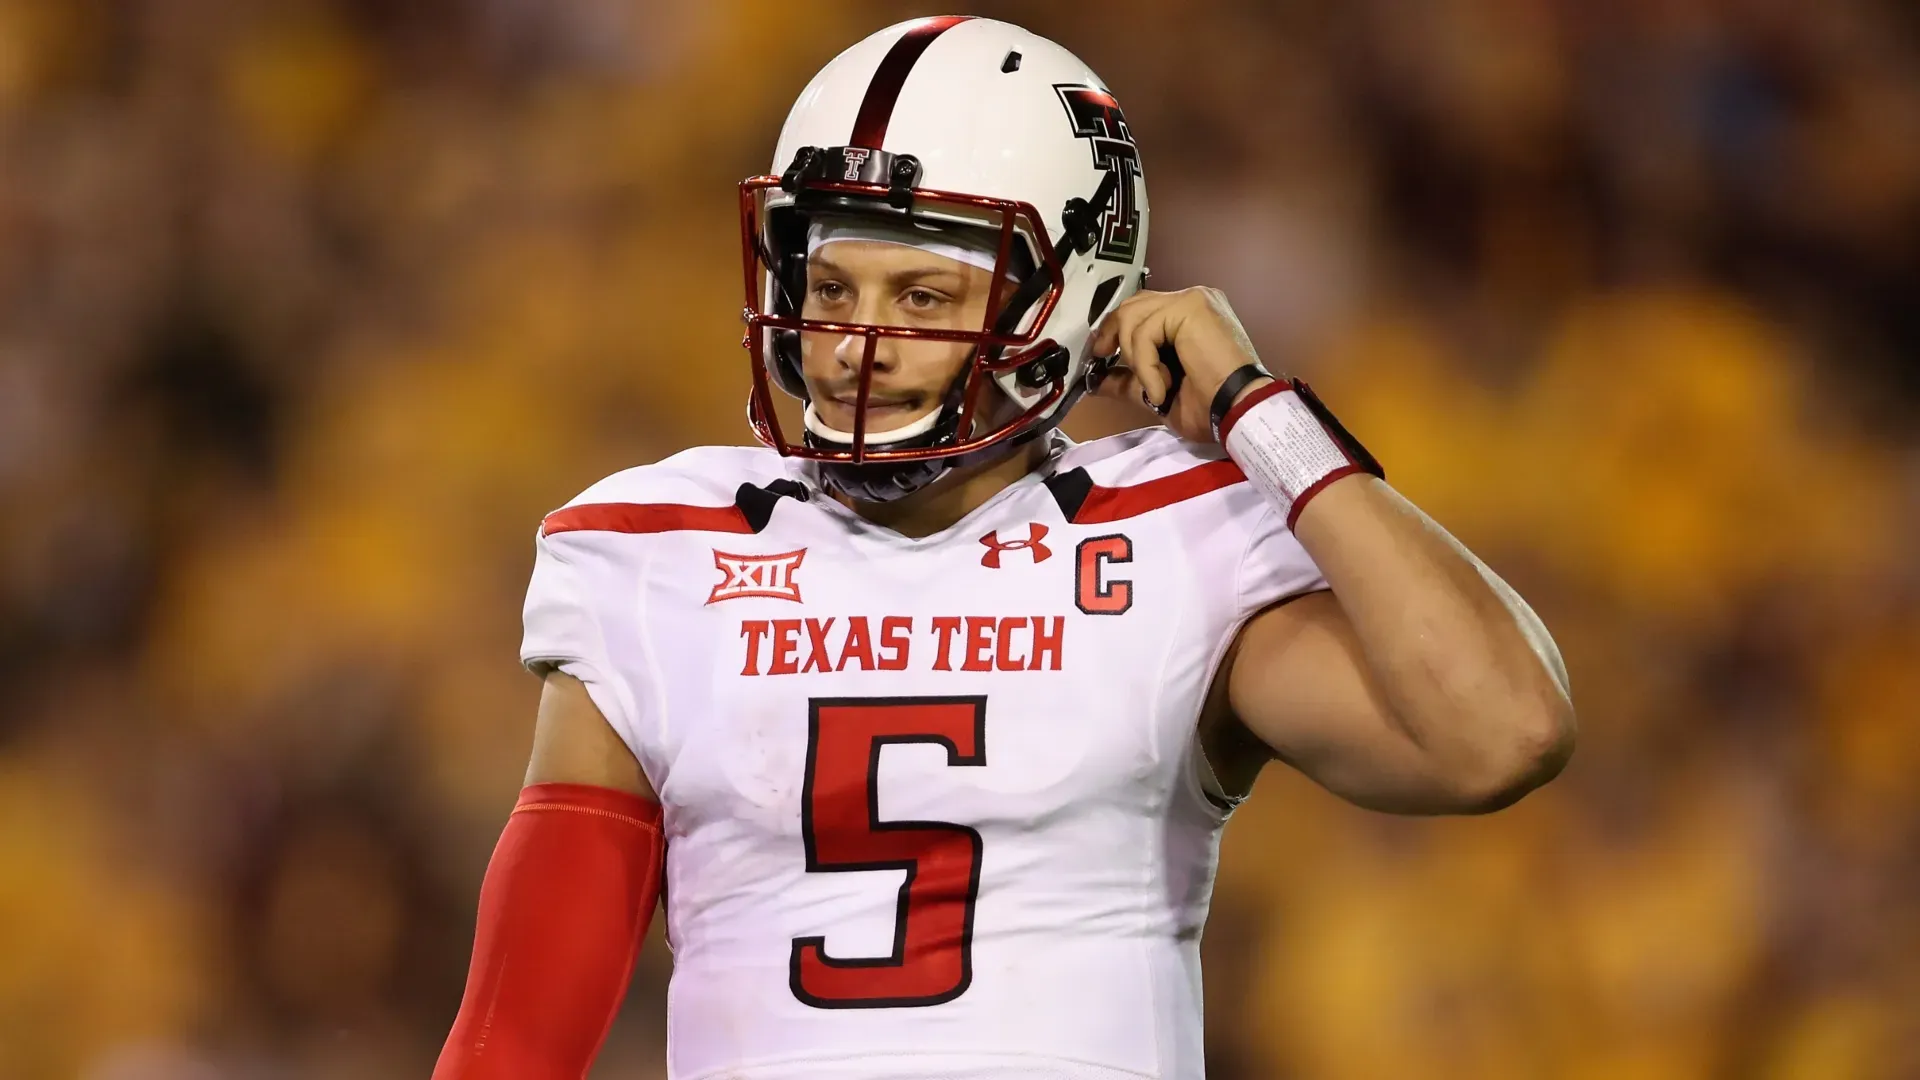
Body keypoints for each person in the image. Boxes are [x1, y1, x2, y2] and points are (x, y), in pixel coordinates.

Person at [433, 16, 1575, 1080]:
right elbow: (520, 1030)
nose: (852, 346)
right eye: (830, 286)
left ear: (1067, 299)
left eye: (923, 294)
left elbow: (1501, 733)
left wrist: (1259, 414)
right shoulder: (660, 552)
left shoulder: (1176, 533)